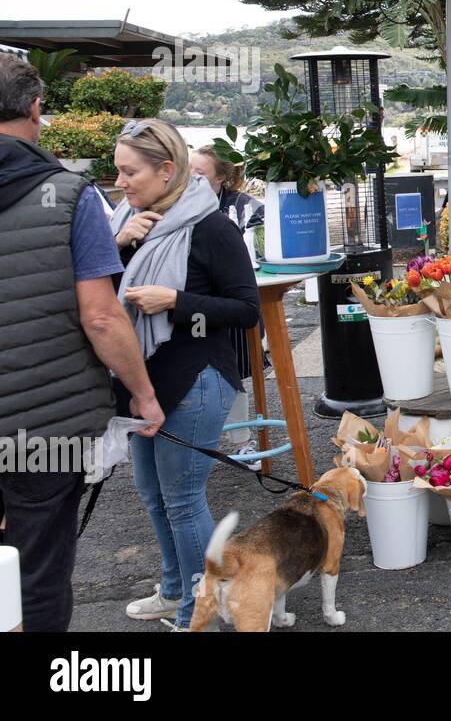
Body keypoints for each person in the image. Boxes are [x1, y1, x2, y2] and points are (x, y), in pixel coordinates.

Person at [0, 54, 162, 632]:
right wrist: (142, 394)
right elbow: (100, 317)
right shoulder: (68, 194)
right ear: (37, 109)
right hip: (43, 423)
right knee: (37, 571)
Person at [111, 119, 259, 629]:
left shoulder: (210, 226)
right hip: (141, 383)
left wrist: (175, 302)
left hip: (196, 380)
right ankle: (176, 590)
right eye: (117, 172)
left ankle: (204, 610)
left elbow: (245, 309)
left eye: (130, 172)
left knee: (182, 500)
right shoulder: (128, 226)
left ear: (166, 169)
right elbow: (103, 305)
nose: (121, 183)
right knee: (153, 496)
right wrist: (116, 247)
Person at [191, 146, 264, 460]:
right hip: (194, 300)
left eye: (200, 174)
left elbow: (258, 250)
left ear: (222, 178)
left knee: (231, 368)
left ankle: (241, 440)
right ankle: (194, 440)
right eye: (188, 173)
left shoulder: (245, 208)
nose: (192, 181)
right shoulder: (177, 207)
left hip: (233, 299)